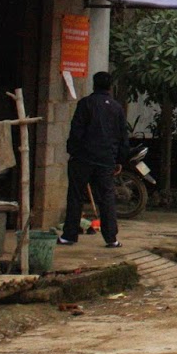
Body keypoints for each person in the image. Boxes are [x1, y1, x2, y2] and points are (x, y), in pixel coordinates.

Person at [59, 71, 129, 248]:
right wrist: (119, 160)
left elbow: (76, 131)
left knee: (75, 196)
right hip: (105, 160)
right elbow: (122, 136)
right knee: (106, 198)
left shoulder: (86, 104)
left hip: (83, 158)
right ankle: (111, 238)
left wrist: (72, 151)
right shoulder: (117, 108)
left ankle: (69, 235)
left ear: (94, 85)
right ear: (110, 86)